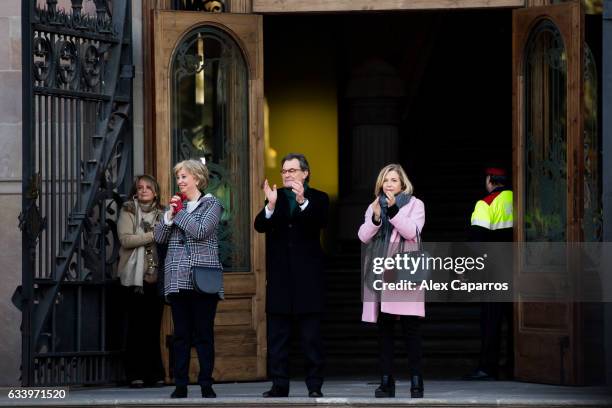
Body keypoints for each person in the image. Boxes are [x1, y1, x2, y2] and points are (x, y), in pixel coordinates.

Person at [254, 153, 329, 398]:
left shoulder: (318, 198)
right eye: (284, 171)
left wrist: (302, 201)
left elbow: (319, 222)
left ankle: (315, 385)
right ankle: (279, 385)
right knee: (278, 338)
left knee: (311, 339)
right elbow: (260, 225)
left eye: (292, 170)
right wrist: (271, 205)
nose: (287, 174)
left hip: (308, 280)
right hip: (280, 280)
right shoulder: (275, 198)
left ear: (305, 173)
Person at [153, 159, 224, 398]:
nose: (180, 181)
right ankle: (180, 384)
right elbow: (160, 238)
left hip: (203, 279)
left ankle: (206, 383)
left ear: (197, 178)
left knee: (203, 333)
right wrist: (168, 216)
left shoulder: (212, 204)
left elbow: (201, 231)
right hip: (177, 279)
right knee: (181, 334)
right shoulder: (175, 206)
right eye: (179, 177)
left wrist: (180, 213)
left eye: (184, 177)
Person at [358, 164, 426, 398]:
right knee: (385, 330)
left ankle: (417, 380)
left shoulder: (416, 204)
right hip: (379, 273)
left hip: (403, 272)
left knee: (411, 330)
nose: (389, 184)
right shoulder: (374, 205)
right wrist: (376, 217)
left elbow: (411, 232)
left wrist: (394, 211)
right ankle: (386, 382)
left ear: (402, 184)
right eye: (386, 180)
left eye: (394, 180)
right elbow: (363, 236)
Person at [463, 166, 513, 381]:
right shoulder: (523, 199)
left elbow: (477, 244)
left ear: (490, 180)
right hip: (523, 268)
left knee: (491, 321)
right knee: (517, 320)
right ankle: (517, 365)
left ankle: (487, 367)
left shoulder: (485, 204)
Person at [117, 175, 165, 388]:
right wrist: (153, 235)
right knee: (136, 329)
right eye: (140, 187)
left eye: (149, 187)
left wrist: (152, 235)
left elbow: (168, 238)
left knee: (153, 329)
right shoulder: (128, 210)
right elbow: (126, 240)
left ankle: (154, 374)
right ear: (135, 192)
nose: (144, 190)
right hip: (133, 280)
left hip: (156, 279)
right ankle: (135, 375)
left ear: (155, 192)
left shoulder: (163, 214)